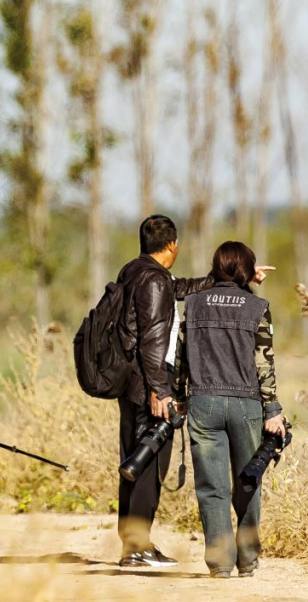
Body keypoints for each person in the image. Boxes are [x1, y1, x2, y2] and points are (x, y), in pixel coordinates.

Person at [115, 215, 272, 568]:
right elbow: (154, 339)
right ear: (172, 245)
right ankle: (136, 548)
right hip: (151, 387)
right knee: (150, 464)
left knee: (135, 462)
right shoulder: (155, 282)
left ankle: (140, 545)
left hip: (135, 384)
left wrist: (239, 274)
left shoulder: (137, 272)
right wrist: (161, 390)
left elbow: (184, 290)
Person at [173, 241, 284, 579]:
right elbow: (264, 362)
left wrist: (179, 395)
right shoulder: (257, 306)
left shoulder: (192, 304)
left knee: (211, 488)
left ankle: (221, 564)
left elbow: (182, 357)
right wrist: (273, 410)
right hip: (246, 405)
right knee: (248, 481)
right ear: (248, 271)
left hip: (203, 403)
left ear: (215, 268)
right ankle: (248, 559)